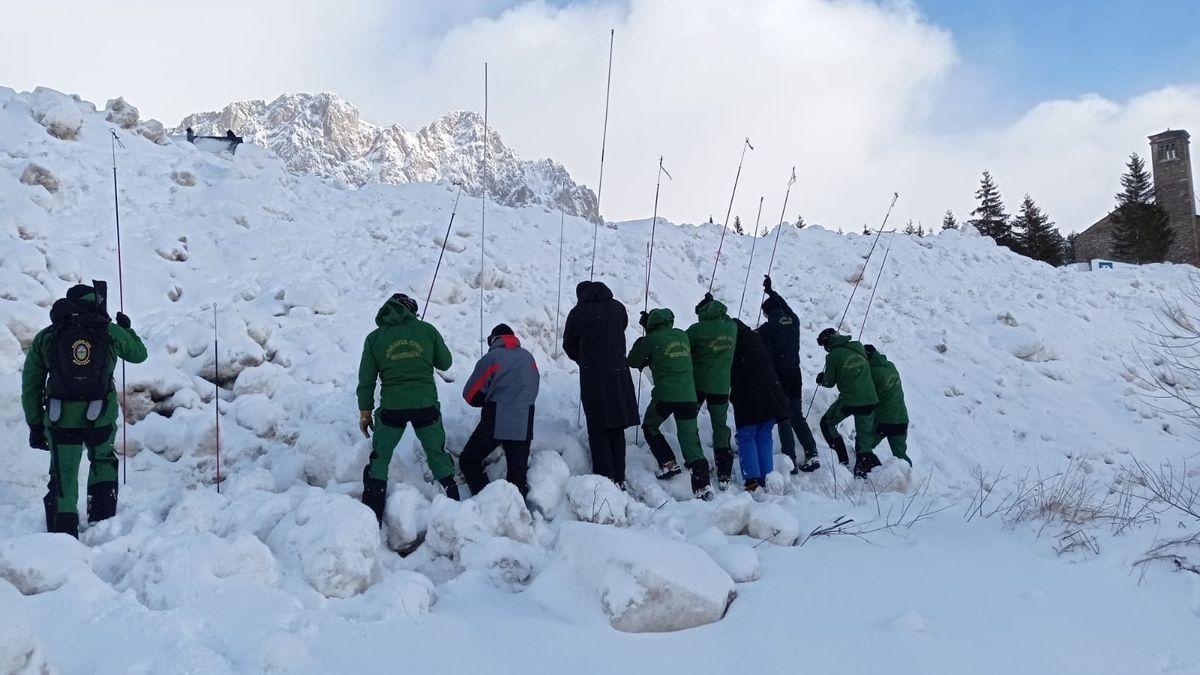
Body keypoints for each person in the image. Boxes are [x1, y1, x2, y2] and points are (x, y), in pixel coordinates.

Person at [22, 282, 147, 538]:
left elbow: (31, 384)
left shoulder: (49, 335)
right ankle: (102, 524)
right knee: (102, 460)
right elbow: (139, 354)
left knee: (63, 473)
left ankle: (63, 535)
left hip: (60, 417)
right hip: (100, 415)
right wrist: (127, 329)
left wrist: (36, 424)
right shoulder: (108, 330)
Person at [356, 293, 458, 523]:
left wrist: (365, 412)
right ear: (411, 310)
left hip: (392, 409)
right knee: (436, 453)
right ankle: (453, 502)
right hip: (426, 406)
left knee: (380, 457)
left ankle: (372, 514)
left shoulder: (374, 338)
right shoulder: (427, 330)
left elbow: (366, 380)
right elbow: (446, 363)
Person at [628, 308, 712, 500]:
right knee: (690, 439)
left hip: (665, 395)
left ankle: (668, 463)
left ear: (651, 324)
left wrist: (645, 339)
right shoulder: (682, 336)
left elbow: (633, 361)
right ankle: (703, 486)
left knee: (650, 426)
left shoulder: (650, 339)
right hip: (689, 396)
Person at [562, 281, 639, 488]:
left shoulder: (578, 312)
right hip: (619, 373)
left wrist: (584, 357)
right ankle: (620, 477)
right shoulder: (617, 307)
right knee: (616, 425)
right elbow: (622, 325)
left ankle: (606, 479)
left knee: (598, 427)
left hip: (594, 375)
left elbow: (568, 345)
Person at [459, 324, 539, 497]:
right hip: (523, 423)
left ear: (494, 339)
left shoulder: (492, 358)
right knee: (517, 480)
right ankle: (518, 516)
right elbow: (533, 388)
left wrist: (485, 400)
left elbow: (470, 393)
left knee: (469, 460)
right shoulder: (528, 358)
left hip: (495, 422)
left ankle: (487, 499)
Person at [757, 276, 821, 474]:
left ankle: (790, 460)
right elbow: (783, 304)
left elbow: (759, 349)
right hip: (796, 373)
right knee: (797, 416)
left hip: (779, 375)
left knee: (783, 417)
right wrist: (771, 291)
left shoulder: (766, 328)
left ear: (767, 312)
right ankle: (812, 453)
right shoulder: (794, 320)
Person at [729, 320, 791, 491]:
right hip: (772, 394)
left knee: (747, 436)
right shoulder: (756, 340)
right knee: (764, 436)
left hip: (748, 397)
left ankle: (752, 480)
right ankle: (767, 477)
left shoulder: (734, 343)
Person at [815, 327, 882, 479]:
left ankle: (842, 460)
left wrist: (821, 379)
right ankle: (865, 465)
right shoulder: (858, 346)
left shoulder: (833, 355)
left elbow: (830, 382)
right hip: (870, 399)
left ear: (827, 342)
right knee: (864, 436)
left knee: (827, 423)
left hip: (851, 400)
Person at [685, 294, 736, 486]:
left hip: (698, 384)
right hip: (722, 386)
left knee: (689, 421)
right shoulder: (731, 327)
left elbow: (683, 343)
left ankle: (696, 460)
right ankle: (724, 472)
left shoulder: (698, 330)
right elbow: (726, 316)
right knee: (720, 426)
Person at [864, 344, 911, 466]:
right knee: (901, 456)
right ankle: (910, 478)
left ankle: (869, 472)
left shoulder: (871, 373)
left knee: (864, 446)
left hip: (884, 421)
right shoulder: (890, 366)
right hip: (901, 419)